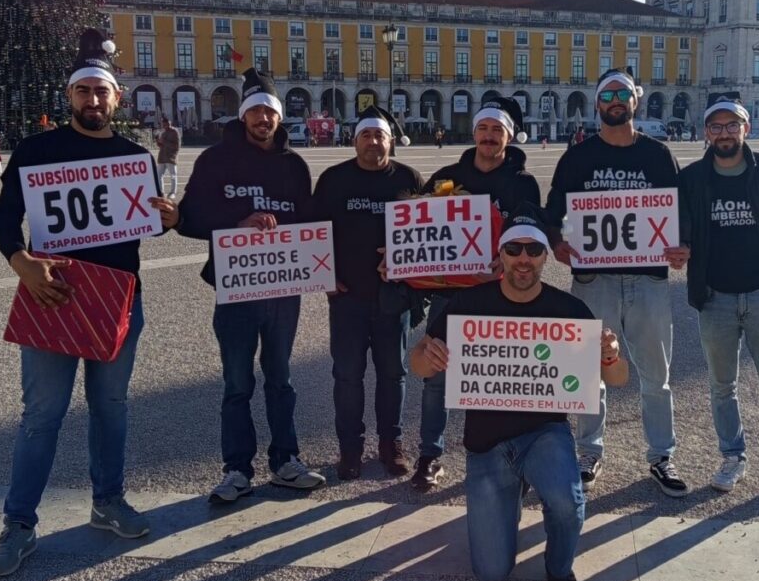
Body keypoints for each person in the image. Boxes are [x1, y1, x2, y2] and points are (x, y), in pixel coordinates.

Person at [0, 29, 178, 578]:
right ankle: (18, 524)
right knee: (41, 416)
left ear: (118, 98)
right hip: (54, 293)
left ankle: (108, 501)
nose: (93, 101)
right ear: (68, 97)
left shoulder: (132, 156)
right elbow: (4, 218)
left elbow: (141, 227)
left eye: (102, 92)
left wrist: (169, 220)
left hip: (117, 299)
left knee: (110, 408)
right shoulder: (37, 150)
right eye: (83, 92)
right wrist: (19, 261)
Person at [410, 203, 628, 581]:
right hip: (486, 444)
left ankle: (559, 568)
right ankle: (513, 490)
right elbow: (419, 363)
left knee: (565, 499)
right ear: (500, 256)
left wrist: (609, 355)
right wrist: (429, 355)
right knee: (491, 573)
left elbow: (617, 378)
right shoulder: (468, 305)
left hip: (544, 432)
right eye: (514, 249)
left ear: (546, 256)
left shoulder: (569, 310)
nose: (523, 259)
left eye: (533, 249)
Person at [169, 67, 325, 503]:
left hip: (282, 289)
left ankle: (286, 461)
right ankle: (236, 469)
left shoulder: (294, 166)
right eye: (255, 111)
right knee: (238, 382)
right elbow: (188, 220)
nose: (263, 118)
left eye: (269, 112)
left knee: (281, 378)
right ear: (244, 116)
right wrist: (236, 223)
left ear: (279, 118)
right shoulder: (215, 161)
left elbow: (308, 223)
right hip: (236, 288)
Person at [546, 68, 688, 497]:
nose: (614, 101)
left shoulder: (659, 155)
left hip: (648, 278)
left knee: (656, 373)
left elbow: (679, 213)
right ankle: (589, 450)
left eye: (622, 94)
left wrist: (682, 246)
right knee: (589, 369)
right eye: (606, 94)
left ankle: (662, 455)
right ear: (597, 104)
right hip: (594, 279)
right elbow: (553, 212)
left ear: (635, 101)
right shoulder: (577, 157)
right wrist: (556, 242)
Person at [675, 93, 759, 504]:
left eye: (731, 126)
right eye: (716, 127)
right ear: (706, 133)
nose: (723, 133)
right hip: (715, 298)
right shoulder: (693, 179)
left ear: (745, 129)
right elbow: (677, 226)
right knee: (722, 388)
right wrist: (679, 248)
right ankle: (732, 456)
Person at [411, 96, 541, 491]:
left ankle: (505, 454)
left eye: (496, 130)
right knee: (435, 374)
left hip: (503, 293)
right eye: (483, 129)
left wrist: (510, 257)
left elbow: (532, 232)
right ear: (474, 133)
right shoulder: (446, 176)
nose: (489, 136)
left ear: (508, 136)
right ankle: (430, 455)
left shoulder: (523, 183)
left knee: (502, 375)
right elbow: (420, 231)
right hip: (451, 294)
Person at [313, 105, 425, 480]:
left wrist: (406, 263)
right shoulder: (332, 180)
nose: (373, 142)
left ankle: (390, 444)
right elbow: (314, 233)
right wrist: (323, 276)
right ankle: (350, 447)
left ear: (391, 141)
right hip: (346, 296)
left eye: (380, 136)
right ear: (355, 139)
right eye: (366, 135)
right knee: (347, 375)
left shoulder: (409, 178)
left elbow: (427, 234)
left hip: (394, 298)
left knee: (393, 374)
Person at [155, 117, 181, 198]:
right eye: (164, 124)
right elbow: (161, 145)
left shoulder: (175, 132)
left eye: (167, 124)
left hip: (170, 157)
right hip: (162, 156)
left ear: (170, 123)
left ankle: (173, 192)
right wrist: (158, 142)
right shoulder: (163, 132)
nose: (165, 126)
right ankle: (161, 192)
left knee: (173, 176)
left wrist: (164, 142)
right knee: (159, 175)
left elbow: (176, 146)